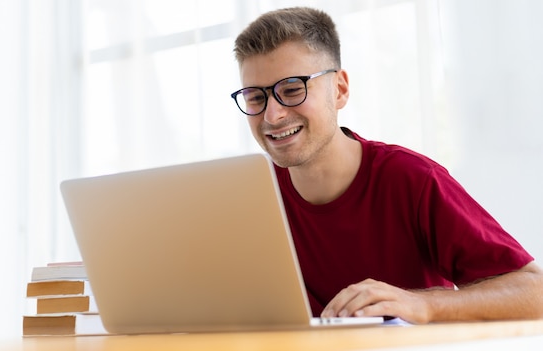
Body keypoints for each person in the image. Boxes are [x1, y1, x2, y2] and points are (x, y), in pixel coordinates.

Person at [230, 6, 543, 324]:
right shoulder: (250, 197)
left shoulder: (413, 180)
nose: (272, 115)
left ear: (339, 90)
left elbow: (535, 293)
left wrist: (425, 304)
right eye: (256, 97)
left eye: (292, 90)